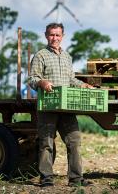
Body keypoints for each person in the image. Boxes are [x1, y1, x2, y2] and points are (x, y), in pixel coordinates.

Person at [28, 23, 93, 187]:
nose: (54, 38)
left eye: (57, 35)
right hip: (48, 106)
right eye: (51, 35)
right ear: (45, 35)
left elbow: (71, 79)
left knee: (75, 141)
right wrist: (42, 82)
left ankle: (76, 179)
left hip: (67, 107)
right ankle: (46, 178)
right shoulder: (40, 55)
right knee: (46, 143)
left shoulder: (67, 56)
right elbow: (32, 79)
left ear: (62, 36)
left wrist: (83, 85)